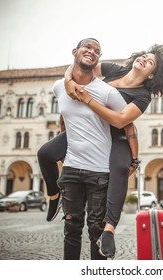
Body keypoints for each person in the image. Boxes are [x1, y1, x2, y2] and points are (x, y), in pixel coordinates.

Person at [37, 43, 163, 258]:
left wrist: (87, 99)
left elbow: (122, 120)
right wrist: (68, 81)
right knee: (45, 153)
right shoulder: (116, 70)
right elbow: (79, 68)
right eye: (144, 55)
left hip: (116, 136)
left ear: (152, 75)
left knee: (120, 169)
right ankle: (54, 193)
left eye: (150, 62)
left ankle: (109, 229)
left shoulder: (142, 96)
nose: (143, 59)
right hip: (89, 128)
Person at [52, 37, 128, 260]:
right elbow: (64, 117)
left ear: (98, 59)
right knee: (71, 228)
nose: (92, 51)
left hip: (99, 171)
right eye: (87, 47)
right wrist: (65, 148)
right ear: (75, 50)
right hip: (71, 168)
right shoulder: (59, 86)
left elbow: (125, 122)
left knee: (96, 228)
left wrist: (130, 159)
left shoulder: (107, 93)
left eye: (97, 50)